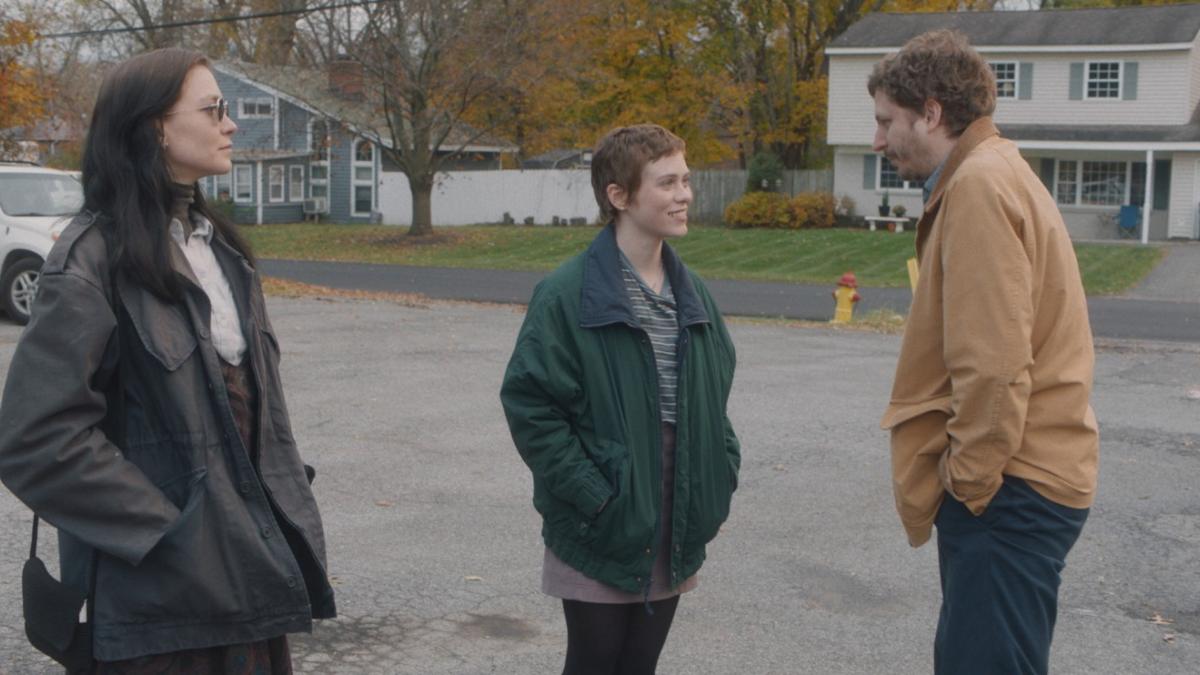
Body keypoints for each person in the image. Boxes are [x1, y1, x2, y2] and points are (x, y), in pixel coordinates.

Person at [0, 48, 335, 671]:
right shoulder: (89, 263)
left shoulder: (224, 253)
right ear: (154, 126)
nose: (230, 124)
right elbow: (35, 439)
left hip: (247, 579)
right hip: (158, 609)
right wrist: (170, 529)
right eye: (213, 110)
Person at [870, 30, 1099, 675]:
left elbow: (993, 366)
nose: (879, 140)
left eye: (888, 121)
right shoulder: (998, 170)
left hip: (1010, 490)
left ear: (933, 112)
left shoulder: (976, 185)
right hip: (1025, 483)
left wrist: (968, 484)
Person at [500, 124, 739, 675]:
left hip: (674, 518)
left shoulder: (694, 294)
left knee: (639, 667)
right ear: (619, 195)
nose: (685, 195)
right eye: (667, 182)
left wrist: (718, 475)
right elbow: (531, 406)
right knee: (594, 664)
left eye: (686, 180)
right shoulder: (567, 293)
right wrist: (594, 493)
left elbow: (716, 396)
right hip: (600, 521)